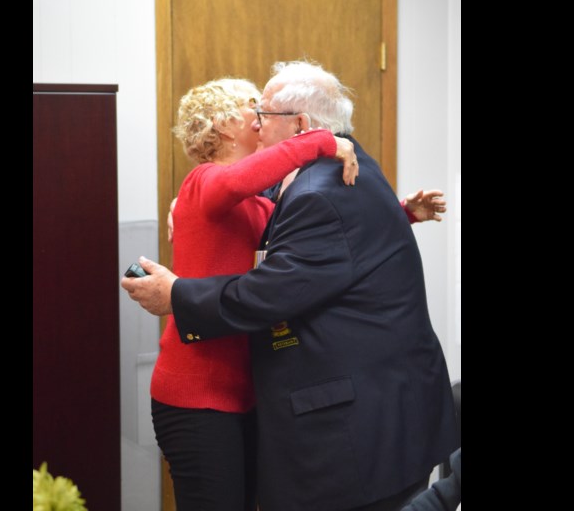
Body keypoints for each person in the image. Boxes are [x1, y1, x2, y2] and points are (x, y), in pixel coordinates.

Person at [124, 60, 459, 511]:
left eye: (264, 113)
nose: (258, 124)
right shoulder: (338, 168)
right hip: (205, 392)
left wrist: (177, 294)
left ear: (299, 124)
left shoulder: (315, 189)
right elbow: (254, 201)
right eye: (253, 112)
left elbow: (292, 272)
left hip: (341, 418)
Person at [150, 77, 360, 511]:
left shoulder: (262, 205)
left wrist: (403, 214)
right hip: (196, 398)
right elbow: (231, 184)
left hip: (247, 396)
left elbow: (314, 240)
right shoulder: (202, 182)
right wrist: (319, 140)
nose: (262, 117)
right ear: (225, 125)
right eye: (252, 107)